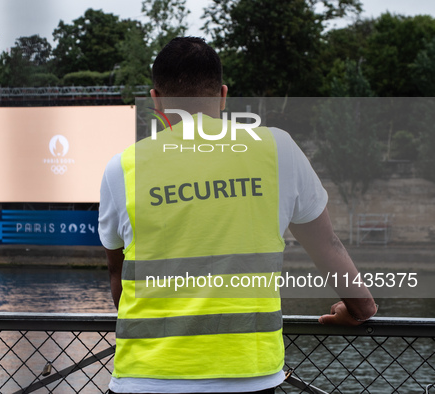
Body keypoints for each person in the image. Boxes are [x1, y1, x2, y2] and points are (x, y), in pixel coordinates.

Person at [98, 37, 377, 394]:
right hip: (249, 374)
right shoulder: (278, 149)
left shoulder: (121, 167)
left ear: (155, 101)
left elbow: (116, 272)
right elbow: (326, 243)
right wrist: (360, 307)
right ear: (223, 95)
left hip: (147, 376)